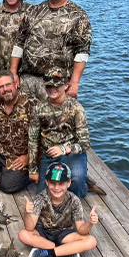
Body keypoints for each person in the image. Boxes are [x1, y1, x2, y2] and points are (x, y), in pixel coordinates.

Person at [10, 0, 92, 101]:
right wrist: (13, 72)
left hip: (58, 84)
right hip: (27, 81)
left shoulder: (78, 16)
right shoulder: (33, 11)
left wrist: (75, 82)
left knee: (56, 115)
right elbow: (19, 42)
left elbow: (82, 52)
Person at [19, 161, 98, 257]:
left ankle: (47, 253)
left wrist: (90, 223)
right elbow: (30, 228)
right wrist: (27, 213)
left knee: (92, 241)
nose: (56, 188)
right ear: (47, 182)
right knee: (23, 234)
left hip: (64, 234)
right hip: (43, 233)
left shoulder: (74, 200)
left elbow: (81, 230)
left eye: (61, 184)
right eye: (53, 183)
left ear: (69, 183)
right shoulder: (40, 198)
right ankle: (66, 252)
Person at [28, 69, 90, 197]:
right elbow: (32, 140)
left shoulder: (77, 108)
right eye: (49, 86)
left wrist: (64, 149)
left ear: (66, 85)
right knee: (43, 195)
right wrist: (32, 169)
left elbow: (85, 143)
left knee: (77, 182)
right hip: (49, 155)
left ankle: (84, 185)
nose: (52, 89)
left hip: (72, 154)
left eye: (56, 85)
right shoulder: (38, 108)